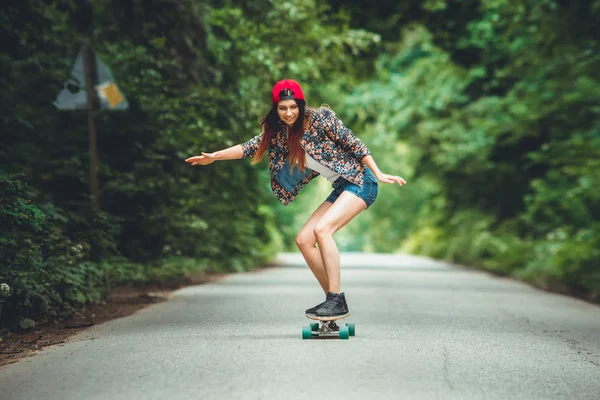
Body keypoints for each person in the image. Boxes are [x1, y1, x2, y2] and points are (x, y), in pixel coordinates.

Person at [185, 79, 406, 317]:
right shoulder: (279, 134)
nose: (289, 113)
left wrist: (379, 172)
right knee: (303, 240)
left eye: (293, 107)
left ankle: (334, 300)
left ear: (300, 105)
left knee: (322, 230)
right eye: (283, 108)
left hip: (361, 182)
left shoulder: (321, 118)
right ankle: (334, 300)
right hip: (341, 186)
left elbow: (354, 144)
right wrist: (215, 156)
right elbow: (248, 147)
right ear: (276, 109)